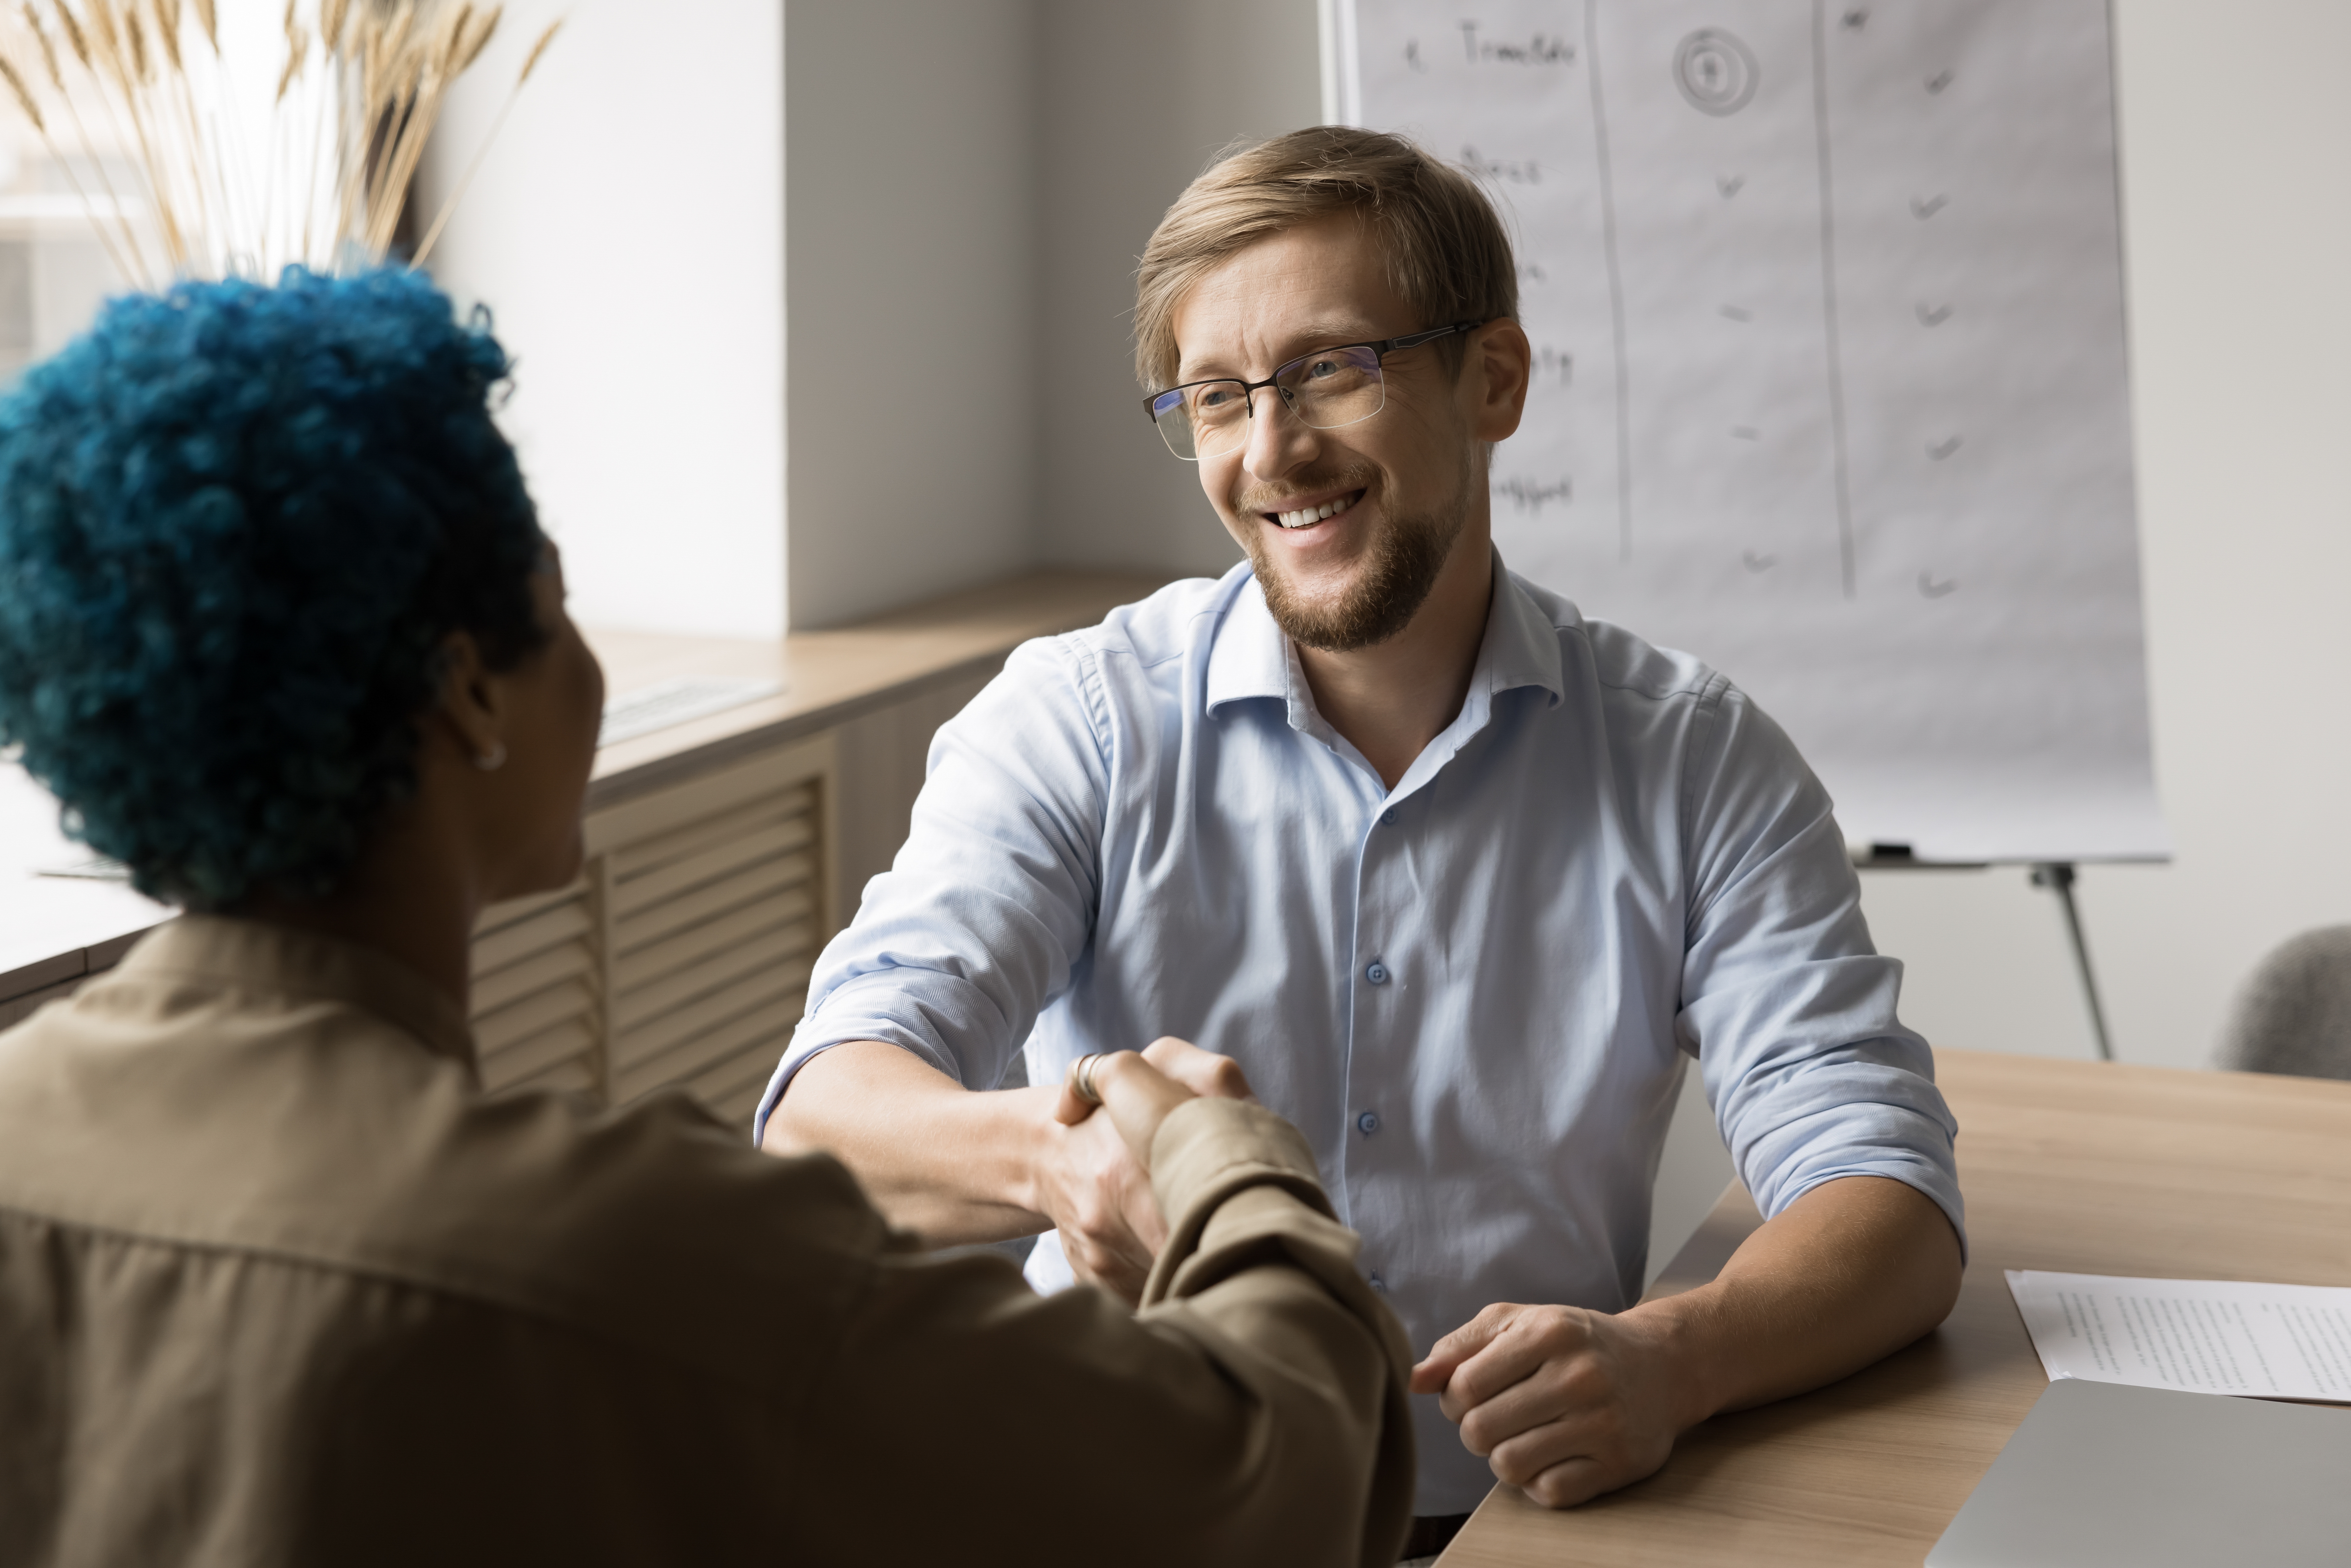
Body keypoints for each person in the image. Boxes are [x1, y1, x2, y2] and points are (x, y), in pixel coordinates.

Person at [0, 268, 1415, 1566]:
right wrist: (1218, 1151)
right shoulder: (640, 1245)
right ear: (469, 695)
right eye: (556, 610)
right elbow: (1273, 1482)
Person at [758, 126, 1968, 1547]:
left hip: (1513, 1524)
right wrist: (1051, 1161)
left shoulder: (1694, 757)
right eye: (1216, 397)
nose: (1271, 453)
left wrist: (1678, 1354)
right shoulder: (1077, 722)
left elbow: (1883, 1192)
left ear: (1492, 380)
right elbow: (820, 1123)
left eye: (1333, 367)